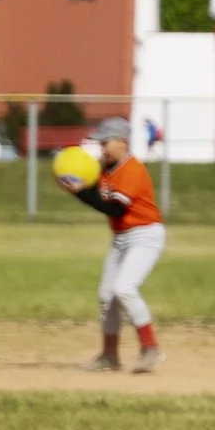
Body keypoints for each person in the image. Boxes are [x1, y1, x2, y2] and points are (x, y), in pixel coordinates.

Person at [62, 116, 166, 373]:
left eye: (105, 142)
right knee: (107, 296)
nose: (102, 148)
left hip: (145, 235)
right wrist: (80, 184)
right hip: (121, 238)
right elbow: (97, 194)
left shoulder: (132, 169)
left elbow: (114, 208)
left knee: (124, 288)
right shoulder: (106, 168)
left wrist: (79, 192)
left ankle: (151, 349)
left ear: (122, 143)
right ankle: (109, 356)